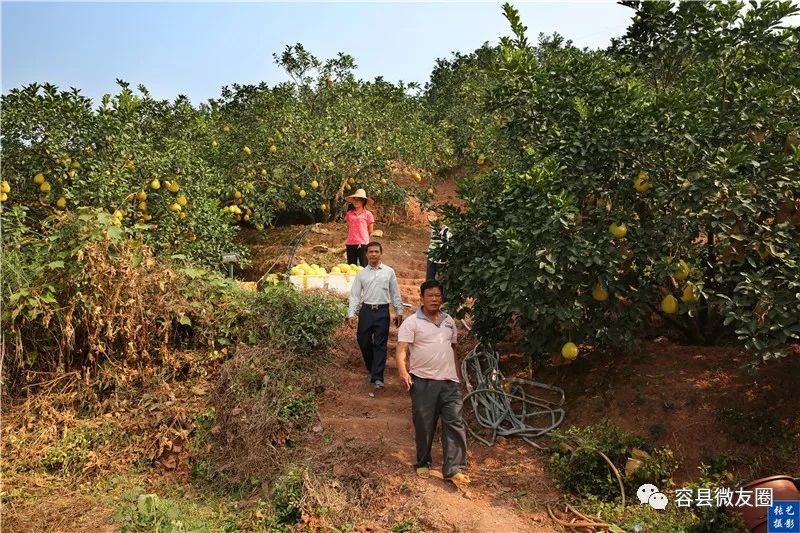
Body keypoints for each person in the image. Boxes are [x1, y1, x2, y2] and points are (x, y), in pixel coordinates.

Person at [396, 279, 470, 485]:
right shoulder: (412, 322)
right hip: (423, 382)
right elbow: (401, 350)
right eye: (430, 295)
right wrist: (403, 372)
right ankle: (423, 462)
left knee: (454, 422)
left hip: (449, 382)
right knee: (424, 424)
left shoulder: (449, 322)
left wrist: (458, 376)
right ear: (421, 298)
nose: (434, 299)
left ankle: (454, 468)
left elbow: (453, 350)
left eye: (438, 295)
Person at [347, 241, 404, 389]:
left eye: (376, 252)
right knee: (363, 340)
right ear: (366, 254)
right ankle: (372, 368)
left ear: (381, 253)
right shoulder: (361, 273)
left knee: (380, 344)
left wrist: (399, 311)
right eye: (370, 252)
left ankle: (378, 377)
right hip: (366, 311)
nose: (373, 254)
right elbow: (354, 295)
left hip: (382, 311)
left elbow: (395, 292)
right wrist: (351, 313)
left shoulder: (389, 272)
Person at [343, 188, 375, 267]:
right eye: (355, 200)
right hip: (350, 243)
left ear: (363, 201)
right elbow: (349, 227)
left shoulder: (368, 214)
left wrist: (362, 237)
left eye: (358, 200)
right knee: (351, 267)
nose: (356, 202)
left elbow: (370, 230)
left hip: (363, 243)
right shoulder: (349, 214)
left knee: (364, 266)